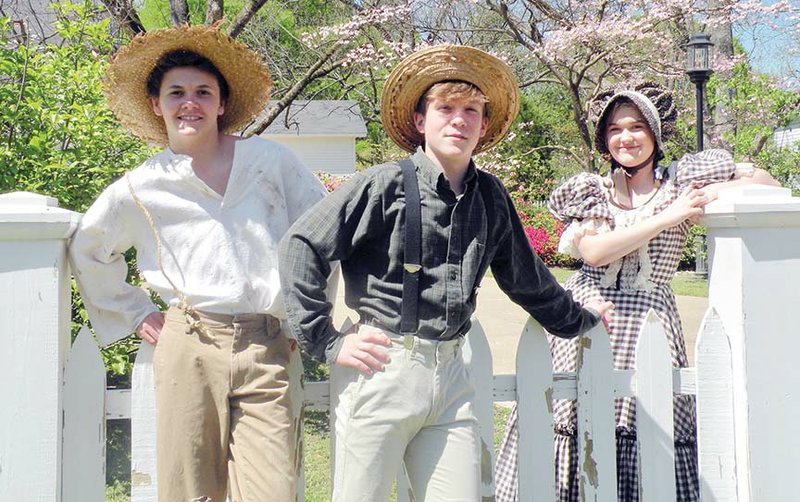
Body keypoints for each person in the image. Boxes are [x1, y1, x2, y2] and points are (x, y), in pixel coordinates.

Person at [278, 45, 613, 502]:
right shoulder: (384, 185)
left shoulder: (491, 196)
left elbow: (525, 279)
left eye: (471, 110)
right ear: (421, 121)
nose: (459, 120)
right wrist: (327, 341)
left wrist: (581, 317)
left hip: (453, 377)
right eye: (446, 108)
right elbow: (302, 246)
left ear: (484, 124)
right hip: (382, 369)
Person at [69, 25, 327, 502]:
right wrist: (135, 312)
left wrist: (302, 316)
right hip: (189, 341)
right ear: (156, 104)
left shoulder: (270, 163)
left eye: (203, 92)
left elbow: (320, 235)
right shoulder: (142, 186)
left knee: (274, 489)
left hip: (265, 344)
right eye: (177, 93)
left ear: (222, 104)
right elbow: (89, 247)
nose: (191, 103)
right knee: (190, 489)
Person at [494, 81, 780, 501]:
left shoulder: (680, 180)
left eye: (635, 127)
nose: (625, 138)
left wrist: (705, 195)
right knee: (573, 418)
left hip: (651, 319)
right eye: (614, 129)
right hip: (589, 316)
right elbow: (594, 251)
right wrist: (673, 215)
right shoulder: (593, 189)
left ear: (654, 134)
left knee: (646, 426)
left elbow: (767, 183)